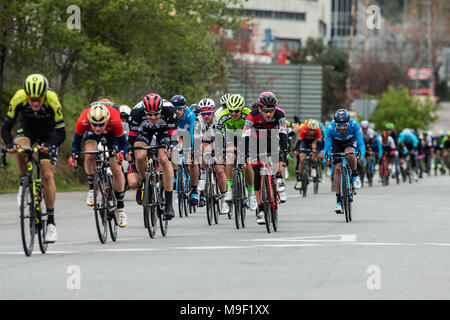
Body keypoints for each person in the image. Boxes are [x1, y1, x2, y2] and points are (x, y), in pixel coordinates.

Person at [1, 74, 66, 243]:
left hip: (49, 133)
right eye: (32, 100)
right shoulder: (18, 98)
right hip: (27, 129)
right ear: (26, 96)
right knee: (21, 147)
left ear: (45, 95)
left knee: (46, 175)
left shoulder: (53, 100)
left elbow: (61, 133)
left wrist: (51, 146)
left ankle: (51, 222)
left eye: (39, 100)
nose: (35, 104)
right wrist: (10, 145)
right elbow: (6, 129)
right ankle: (24, 182)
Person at [70, 102, 128, 227]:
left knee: (117, 170)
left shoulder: (115, 121)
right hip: (91, 136)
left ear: (107, 120)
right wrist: (74, 155)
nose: (97, 128)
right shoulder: (83, 121)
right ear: (89, 120)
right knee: (89, 153)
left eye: (101, 124)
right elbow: (76, 143)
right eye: (94, 124)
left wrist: (121, 153)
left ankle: (121, 208)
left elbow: (124, 144)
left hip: (111, 135)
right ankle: (92, 189)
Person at [243, 92, 288, 224]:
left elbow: (284, 134)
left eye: (271, 111)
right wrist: (245, 155)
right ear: (259, 109)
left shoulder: (280, 114)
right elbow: (245, 136)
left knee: (277, 154)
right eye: (265, 111)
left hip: (272, 138)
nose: (268, 114)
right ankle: (261, 208)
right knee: (257, 172)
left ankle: (279, 178)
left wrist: (284, 152)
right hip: (255, 141)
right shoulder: (252, 115)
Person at [132, 93, 178, 220]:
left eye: (156, 114)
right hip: (145, 131)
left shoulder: (169, 110)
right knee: (139, 155)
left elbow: (173, 135)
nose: (153, 117)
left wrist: (172, 147)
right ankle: (144, 181)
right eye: (149, 114)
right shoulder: (136, 112)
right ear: (144, 111)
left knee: (164, 159)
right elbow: (132, 138)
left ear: (161, 110)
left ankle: (168, 203)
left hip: (163, 132)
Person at [217, 94, 258, 212]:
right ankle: (229, 189)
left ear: (241, 109)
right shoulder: (223, 116)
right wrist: (220, 152)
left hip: (247, 136)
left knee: (249, 162)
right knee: (230, 156)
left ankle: (251, 195)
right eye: (231, 111)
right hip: (231, 135)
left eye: (236, 111)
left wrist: (249, 153)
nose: (233, 114)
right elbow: (219, 135)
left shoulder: (249, 114)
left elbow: (255, 135)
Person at [323, 109, 365, 213]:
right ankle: (338, 201)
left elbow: (361, 144)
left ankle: (355, 176)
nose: (342, 128)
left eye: (344, 125)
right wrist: (326, 158)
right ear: (335, 124)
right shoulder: (329, 128)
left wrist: (361, 156)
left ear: (349, 122)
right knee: (337, 168)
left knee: (350, 153)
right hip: (336, 143)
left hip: (350, 142)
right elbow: (327, 147)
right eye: (339, 125)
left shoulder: (354, 125)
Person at [193, 98, 229, 213]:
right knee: (202, 147)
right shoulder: (198, 121)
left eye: (208, 113)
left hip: (220, 144)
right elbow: (197, 139)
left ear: (213, 111)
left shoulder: (219, 119)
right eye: (203, 113)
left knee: (219, 170)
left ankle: (224, 199)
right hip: (206, 144)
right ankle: (203, 177)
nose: (206, 116)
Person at [171, 95, 199, 206]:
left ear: (185, 107)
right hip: (178, 136)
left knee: (193, 161)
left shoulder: (190, 115)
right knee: (174, 150)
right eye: (175, 109)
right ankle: (175, 176)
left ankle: (194, 190)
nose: (177, 111)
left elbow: (192, 134)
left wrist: (192, 150)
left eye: (179, 108)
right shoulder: (172, 115)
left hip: (190, 135)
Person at [294, 119, 322, 190]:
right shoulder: (304, 128)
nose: (312, 131)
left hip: (313, 142)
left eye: (314, 130)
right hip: (305, 142)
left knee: (314, 148)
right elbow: (299, 141)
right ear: (307, 127)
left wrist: (317, 152)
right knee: (302, 159)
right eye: (310, 129)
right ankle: (300, 179)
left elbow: (319, 143)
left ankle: (313, 166)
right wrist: (297, 150)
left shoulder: (318, 130)